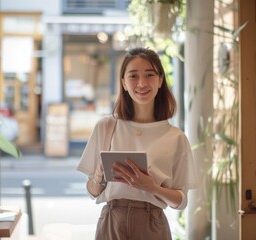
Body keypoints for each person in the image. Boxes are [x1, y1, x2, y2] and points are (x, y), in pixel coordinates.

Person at [77, 47, 196, 240]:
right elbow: (92, 192)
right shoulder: (106, 127)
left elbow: (181, 201)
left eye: (149, 75)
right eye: (133, 76)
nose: (141, 83)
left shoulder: (175, 137)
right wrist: (99, 173)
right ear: (123, 83)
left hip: (152, 221)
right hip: (112, 220)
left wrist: (153, 187)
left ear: (160, 80)